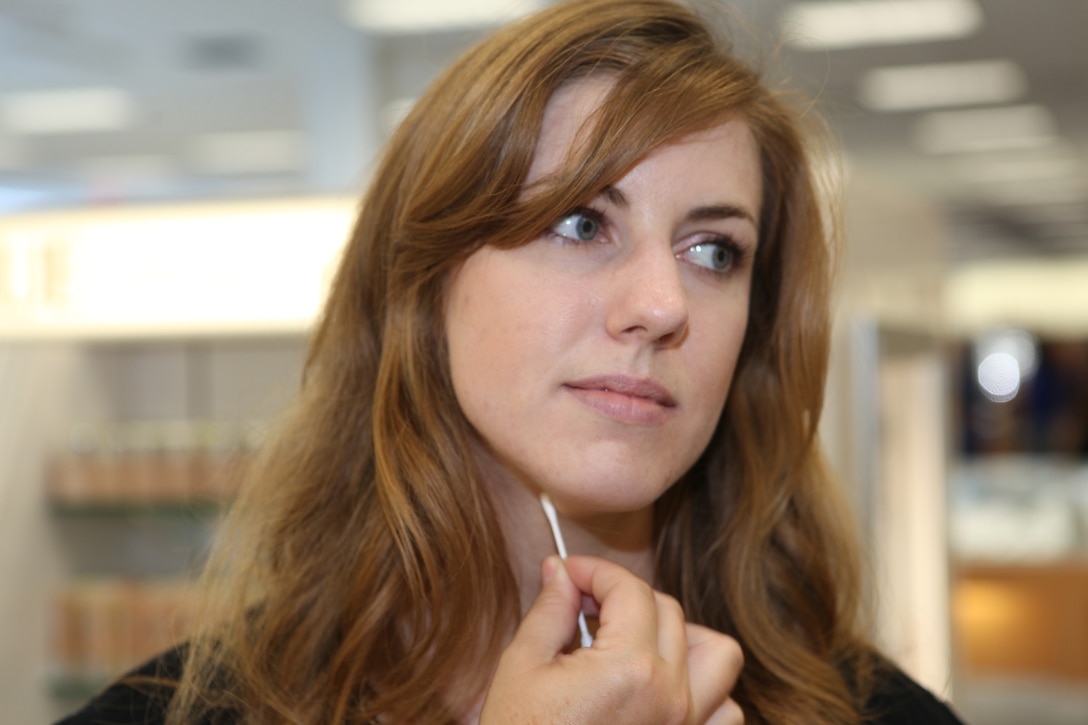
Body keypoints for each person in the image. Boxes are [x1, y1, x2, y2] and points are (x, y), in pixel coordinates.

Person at [58, 0, 966, 723]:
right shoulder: (174, 711)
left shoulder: (874, 711)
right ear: (423, 284)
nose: (662, 305)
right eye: (581, 222)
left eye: (714, 251)